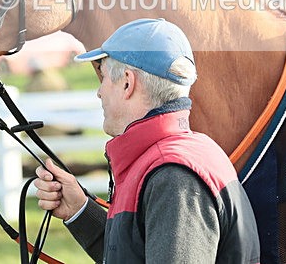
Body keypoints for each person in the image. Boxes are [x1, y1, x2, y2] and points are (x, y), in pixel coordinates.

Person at [33, 18, 260, 264]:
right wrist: (79, 211)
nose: (100, 91)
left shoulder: (173, 178)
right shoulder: (188, 154)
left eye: (105, 78)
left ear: (128, 83)